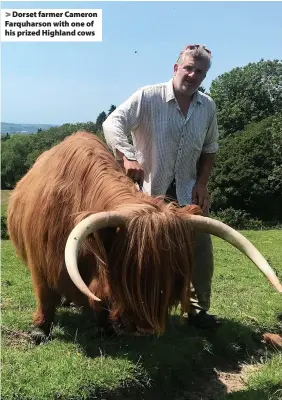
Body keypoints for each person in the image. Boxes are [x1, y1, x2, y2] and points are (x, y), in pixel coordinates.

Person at [102, 44, 221, 329]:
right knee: (140, 253)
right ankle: (130, 304)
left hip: (187, 194)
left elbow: (210, 148)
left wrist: (202, 183)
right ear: (176, 67)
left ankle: (196, 310)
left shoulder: (208, 106)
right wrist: (127, 154)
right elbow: (112, 123)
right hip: (145, 194)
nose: (192, 75)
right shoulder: (148, 96)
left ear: (205, 76)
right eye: (189, 67)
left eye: (200, 72)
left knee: (200, 248)